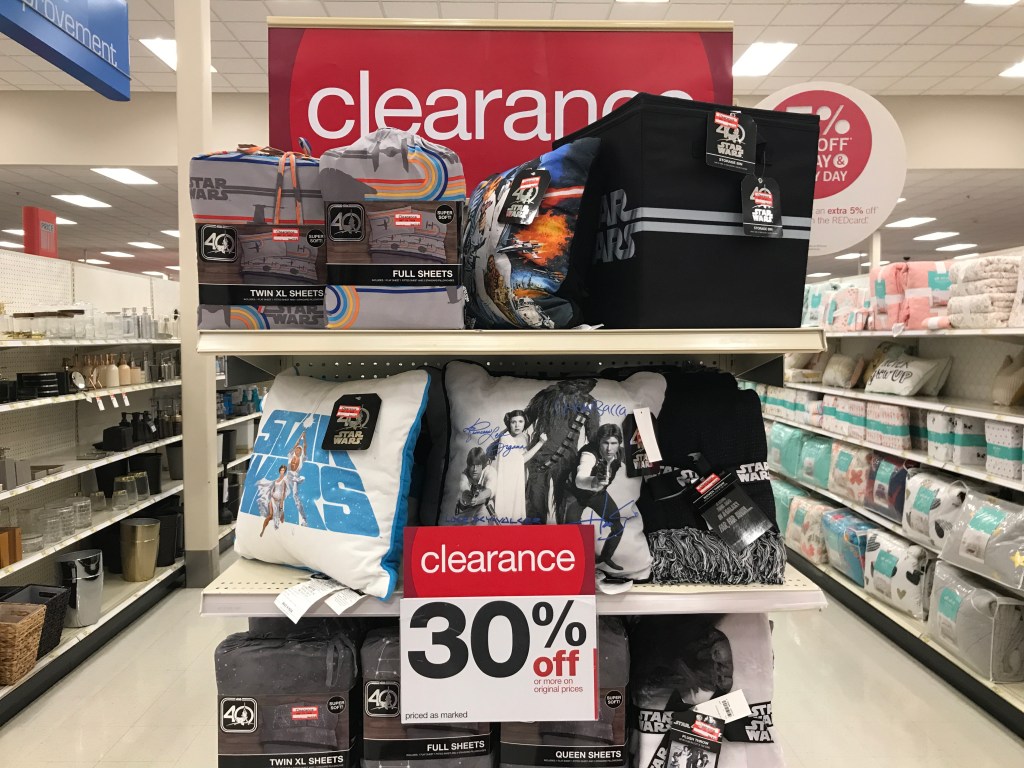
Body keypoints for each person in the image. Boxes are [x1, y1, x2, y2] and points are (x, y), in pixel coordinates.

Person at [564, 424, 626, 569]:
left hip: (597, 494)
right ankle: (578, 563)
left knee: (617, 525)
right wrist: (594, 481)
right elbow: (580, 479)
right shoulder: (589, 454)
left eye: (613, 443)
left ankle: (605, 557)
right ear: (599, 442)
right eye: (605, 443)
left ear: (619, 443)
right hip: (575, 493)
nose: (609, 448)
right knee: (572, 529)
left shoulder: (620, 454)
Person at [492, 410, 547, 524]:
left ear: (525, 423)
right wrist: (540, 443)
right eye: (513, 422)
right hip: (507, 484)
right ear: (509, 424)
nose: (517, 425)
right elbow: (521, 460)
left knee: (517, 519)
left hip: (521, 480)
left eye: (520, 421)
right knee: (507, 516)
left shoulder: (526, 437)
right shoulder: (505, 438)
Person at [454, 447, 497, 524]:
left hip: (486, 507)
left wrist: (479, 497)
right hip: (469, 508)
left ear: (483, 465)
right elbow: (463, 487)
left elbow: (490, 490)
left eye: (478, 465)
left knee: (482, 517)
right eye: (472, 465)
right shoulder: (465, 473)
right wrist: (469, 496)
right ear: (468, 465)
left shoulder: (490, 471)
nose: (474, 469)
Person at [259, 466, 290, 537]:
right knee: (270, 515)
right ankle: (263, 530)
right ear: (279, 471)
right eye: (281, 470)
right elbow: (273, 489)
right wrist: (272, 494)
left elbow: (283, 492)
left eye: (283, 470)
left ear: (284, 472)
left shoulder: (284, 481)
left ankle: (280, 531)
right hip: (273, 499)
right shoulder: (276, 480)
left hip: (279, 500)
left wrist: (281, 501)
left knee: (281, 519)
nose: (282, 472)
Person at [287, 431, 309, 526]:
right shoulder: (291, 455)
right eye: (296, 449)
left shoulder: (302, 458)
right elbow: (296, 444)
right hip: (288, 476)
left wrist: (304, 437)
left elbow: (305, 447)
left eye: (299, 450)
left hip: (295, 477)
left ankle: (304, 519)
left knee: (295, 497)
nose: (297, 450)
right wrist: (300, 436)